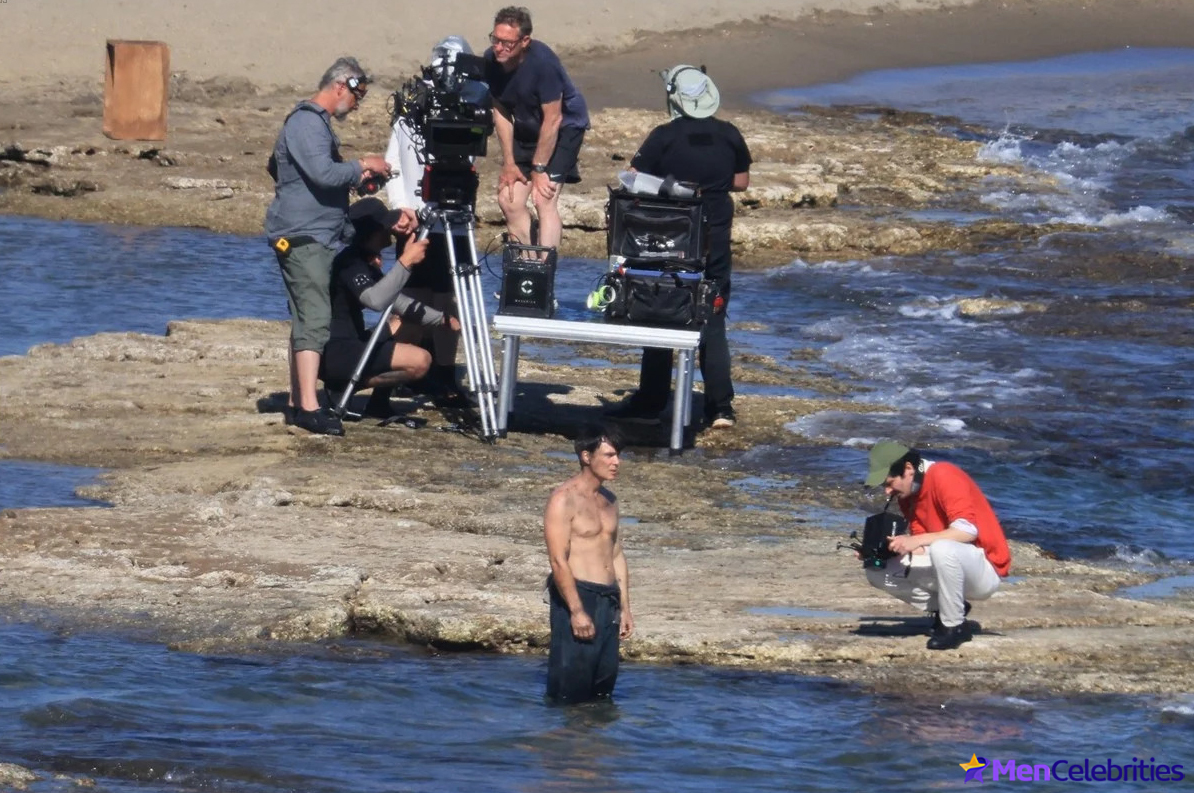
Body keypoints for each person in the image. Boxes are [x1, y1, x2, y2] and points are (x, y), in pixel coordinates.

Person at [606, 65, 751, 430]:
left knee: (660, 308)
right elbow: (742, 181)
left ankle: (652, 399)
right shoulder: (729, 133)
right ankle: (720, 407)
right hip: (714, 234)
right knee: (712, 314)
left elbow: (634, 177)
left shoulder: (664, 136)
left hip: (669, 238)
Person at [265, 56, 399, 436]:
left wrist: (358, 178)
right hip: (304, 235)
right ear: (341, 85)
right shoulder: (307, 121)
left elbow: (307, 173)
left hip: (312, 233)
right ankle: (309, 407)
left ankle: (297, 401)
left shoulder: (314, 124)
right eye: (359, 96)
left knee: (306, 317)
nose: (357, 105)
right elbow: (322, 173)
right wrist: (361, 165)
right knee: (315, 317)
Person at [385, 35, 484, 405]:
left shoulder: (470, 103)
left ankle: (443, 373)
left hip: (454, 221)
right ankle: (399, 366)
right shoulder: (411, 110)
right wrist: (402, 208)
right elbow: (394, 163)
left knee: (450, 299)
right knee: (412, 297)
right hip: (418, 218)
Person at [320, 197, 461, 420]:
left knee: (409, 327)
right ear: (373, 233)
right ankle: (343, 386)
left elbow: (399, 303)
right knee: (421, 362)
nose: (391, 230)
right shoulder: (350, 264)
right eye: (386, 226)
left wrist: (443, 319)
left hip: (352, 344)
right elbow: (375, 301)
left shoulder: (364, 259)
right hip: (337, 352)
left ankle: (378, 403)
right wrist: (405, 262)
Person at [863, 441, 1012, 650]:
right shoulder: (908, 494)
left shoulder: (944, 474)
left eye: (890, 483)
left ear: (908, 469)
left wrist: (914, 541)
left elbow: (967, 531)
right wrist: (887, 550)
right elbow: (925, 546)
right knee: (876, 570)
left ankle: (954, 627)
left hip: (984, 569)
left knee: (944, 548)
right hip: (952, 563)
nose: (887, 492)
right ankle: (951, 608)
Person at [484, 6, 589, 251]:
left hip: (564, 127)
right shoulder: (491, 60)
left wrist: (539, 168)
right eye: (495, 40)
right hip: (526, 126)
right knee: (509, 199)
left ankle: (545, 269)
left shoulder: (543, 64)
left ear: (524, 41)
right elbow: (500, 111)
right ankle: (524, 268)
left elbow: (553, 119)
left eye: (507, 43)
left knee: (543, 198)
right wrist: (509, 163)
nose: (499, 48)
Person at [543, 424, 634, 703]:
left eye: (617, 455)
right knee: (569, 688)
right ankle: (563, 743)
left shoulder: (609, 500)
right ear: (586, 456)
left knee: (602, 687)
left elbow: (615, 552)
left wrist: (626, 607)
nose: (616, 462)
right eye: (608, 455)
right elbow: (558, 561)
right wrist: (577, 611)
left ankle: (596, 744)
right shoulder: (563, 500)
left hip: (608, 599)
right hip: (579, 595)